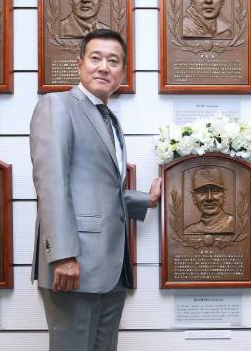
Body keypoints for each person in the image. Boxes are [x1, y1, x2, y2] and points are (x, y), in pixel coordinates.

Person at [30, 29, 162, 351]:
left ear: (123, 73)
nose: (104, 67)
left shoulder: (110, 119)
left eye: (113, 61)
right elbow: (51, 184)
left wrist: (145, 201)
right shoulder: (57, 105)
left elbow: (97, 190)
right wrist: (63, 255)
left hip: (110, 268)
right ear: (79, 65)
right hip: (73, 265)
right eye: (96, 58)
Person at [184, 167, 235, 234]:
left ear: (224, 195)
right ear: (194, 197)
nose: (209, 198)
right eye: (202, 192)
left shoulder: (236, 224)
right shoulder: (189, 231)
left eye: (215, 191)